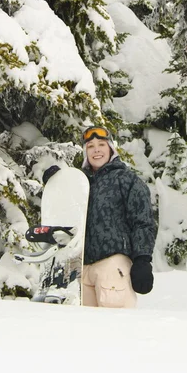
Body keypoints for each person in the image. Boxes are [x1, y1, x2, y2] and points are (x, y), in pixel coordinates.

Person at [42, 126, 156, 308]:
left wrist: (142, 259)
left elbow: (143, 222)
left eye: (101, 144)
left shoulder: (127, 180)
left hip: (112, 266)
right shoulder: (80, 182)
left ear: (111, 148)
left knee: (115, 328)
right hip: (81, 269)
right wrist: (58, 182)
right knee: (88, 333)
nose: (96, 150)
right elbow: (65, 211)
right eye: (90, 146)